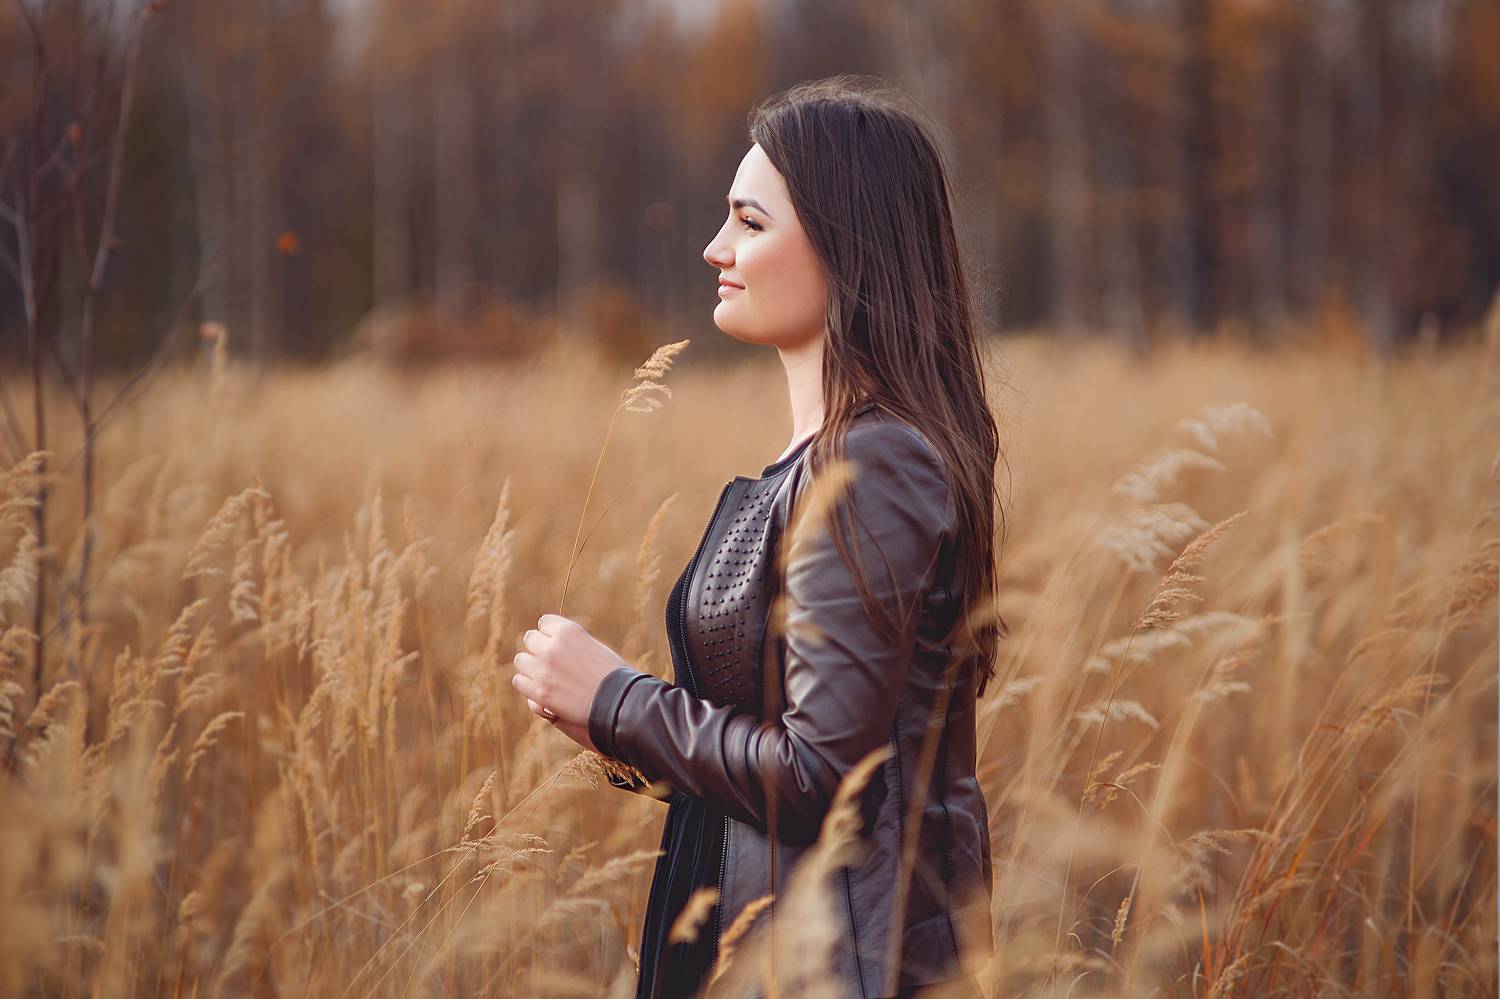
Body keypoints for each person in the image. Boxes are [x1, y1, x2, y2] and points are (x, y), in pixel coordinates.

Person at [509, 74, 1007, 999]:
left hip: (848, 969)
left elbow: (823, 777)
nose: (716, 246)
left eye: (749, 221)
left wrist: (619, 699)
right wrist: (607, 723)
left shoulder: (874, 462)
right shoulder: (826, 457)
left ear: (847, 244)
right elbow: (770, 757)